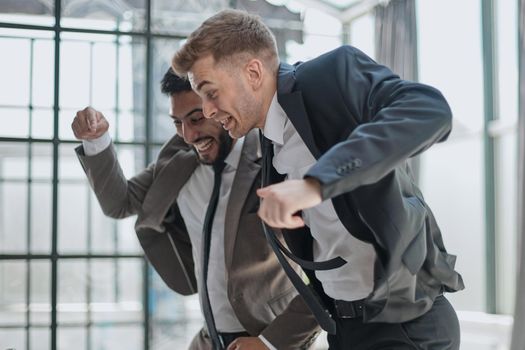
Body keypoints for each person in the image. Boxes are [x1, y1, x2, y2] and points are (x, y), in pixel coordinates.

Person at [171, 9, 465, 350]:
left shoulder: (329, 75)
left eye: (210, 92)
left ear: (253, 72)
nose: (207, 111)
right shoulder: (270, 144)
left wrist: (314, 185)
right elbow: (327, 255)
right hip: (345, 331)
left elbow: (428, 110)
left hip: (405, 325)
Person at [71, 69, 319, 350]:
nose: (188, 135)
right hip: (208, 339)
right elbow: (119, 203)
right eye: (177, 123)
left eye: (197, 119)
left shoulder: (276, 161)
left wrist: (270, 343)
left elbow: (329, 276)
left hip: (267, 340)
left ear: (221, 106)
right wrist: (97, 140)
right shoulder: (179, 161)